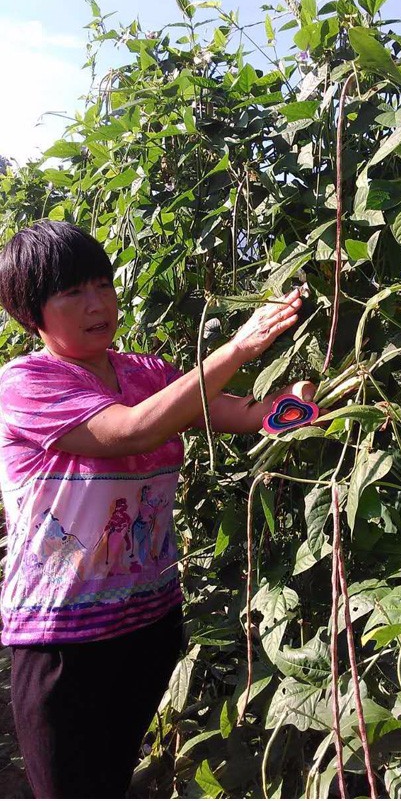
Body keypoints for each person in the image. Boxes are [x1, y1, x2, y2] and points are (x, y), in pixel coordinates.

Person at [0, 219, 314, 798]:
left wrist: (299, 404)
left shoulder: (146, 373)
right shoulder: (25, 384)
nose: (98, 304)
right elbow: (130, 432)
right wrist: (241, 346)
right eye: (72, 293)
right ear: (31, 313)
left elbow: (244, 416)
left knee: (111, 781)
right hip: (62, 639)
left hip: (148, 623)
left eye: (102, 285)